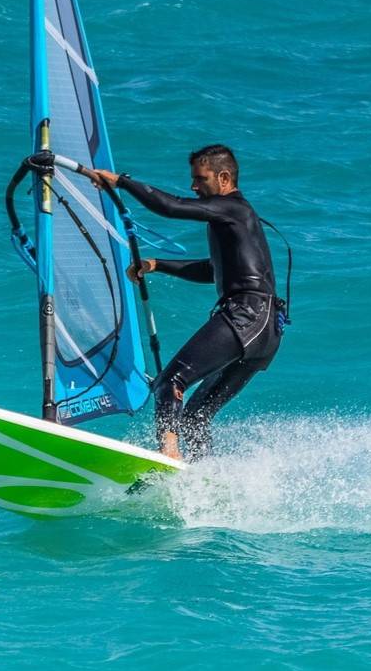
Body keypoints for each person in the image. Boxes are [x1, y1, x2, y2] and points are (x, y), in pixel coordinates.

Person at [84, 144, 285, 461]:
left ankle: (169, 455)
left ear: (223, 177)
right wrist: (157, 265)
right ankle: (202, 473)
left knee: (169, 381)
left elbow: (171, 207)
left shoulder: (232, 207)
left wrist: (120, 182)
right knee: (195, 415)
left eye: (200, 179)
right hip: (267, 331)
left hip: (247, 316)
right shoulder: (232, 218)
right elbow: (213, 270)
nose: (193, 187)